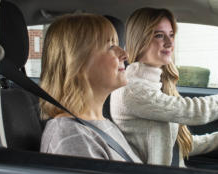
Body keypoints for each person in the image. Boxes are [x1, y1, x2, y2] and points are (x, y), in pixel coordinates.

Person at [110, 7, 218, 167]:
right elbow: (196, 111)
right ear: (140, 40)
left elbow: (181, 147)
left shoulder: (152, 84)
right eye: (159, 36)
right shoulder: (132, 90)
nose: (169, 43)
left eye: (171, 35)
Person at [40, 13, 142, 163]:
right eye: (110, 46)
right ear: (77, 62)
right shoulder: (71, 136)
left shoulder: (102, 124)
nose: (125, 54)